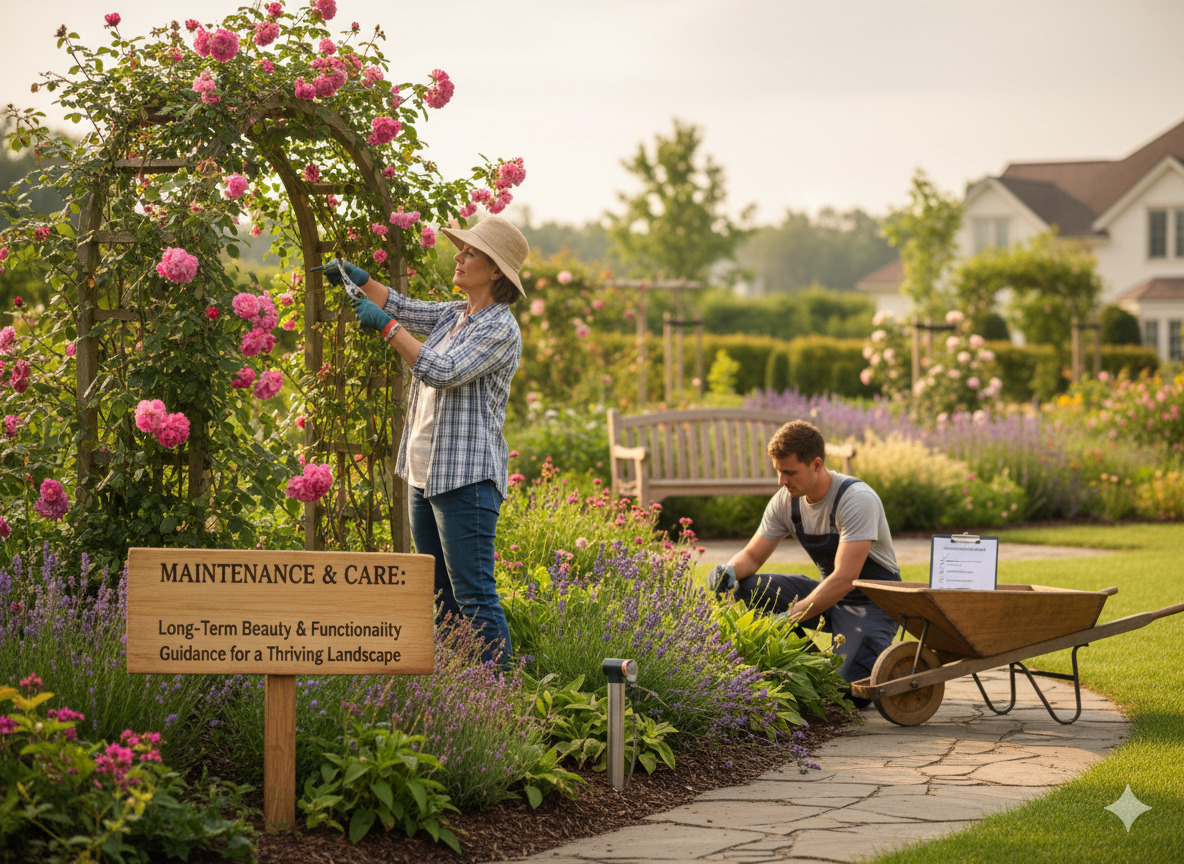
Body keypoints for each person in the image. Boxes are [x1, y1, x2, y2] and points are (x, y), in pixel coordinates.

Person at [311, 216, 528, 666]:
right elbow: (403, 307)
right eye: (462, 249)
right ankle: (460, 696)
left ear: (495, 272)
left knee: (474, 597)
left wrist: (387, 329)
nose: (459, 256)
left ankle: (503, 703)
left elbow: (443, 371)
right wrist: (361, 280)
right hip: (424, 474)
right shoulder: (456, 315)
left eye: (470, 253)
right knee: (440, 597)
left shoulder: (499, 328)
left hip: (466, 481)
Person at [707, 419, 901, 692]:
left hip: (873, 602)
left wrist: (790, 616)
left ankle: (833, 672)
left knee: (851, 691)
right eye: (778, 471)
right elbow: (751, 557)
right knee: (748, 587)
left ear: (817, 464)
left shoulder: (855, 499)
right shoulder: (786, 500)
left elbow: (846, 578)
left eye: (789, 472)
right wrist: (727, 570)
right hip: (828, 595)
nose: (781, 481)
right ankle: (806, 667)